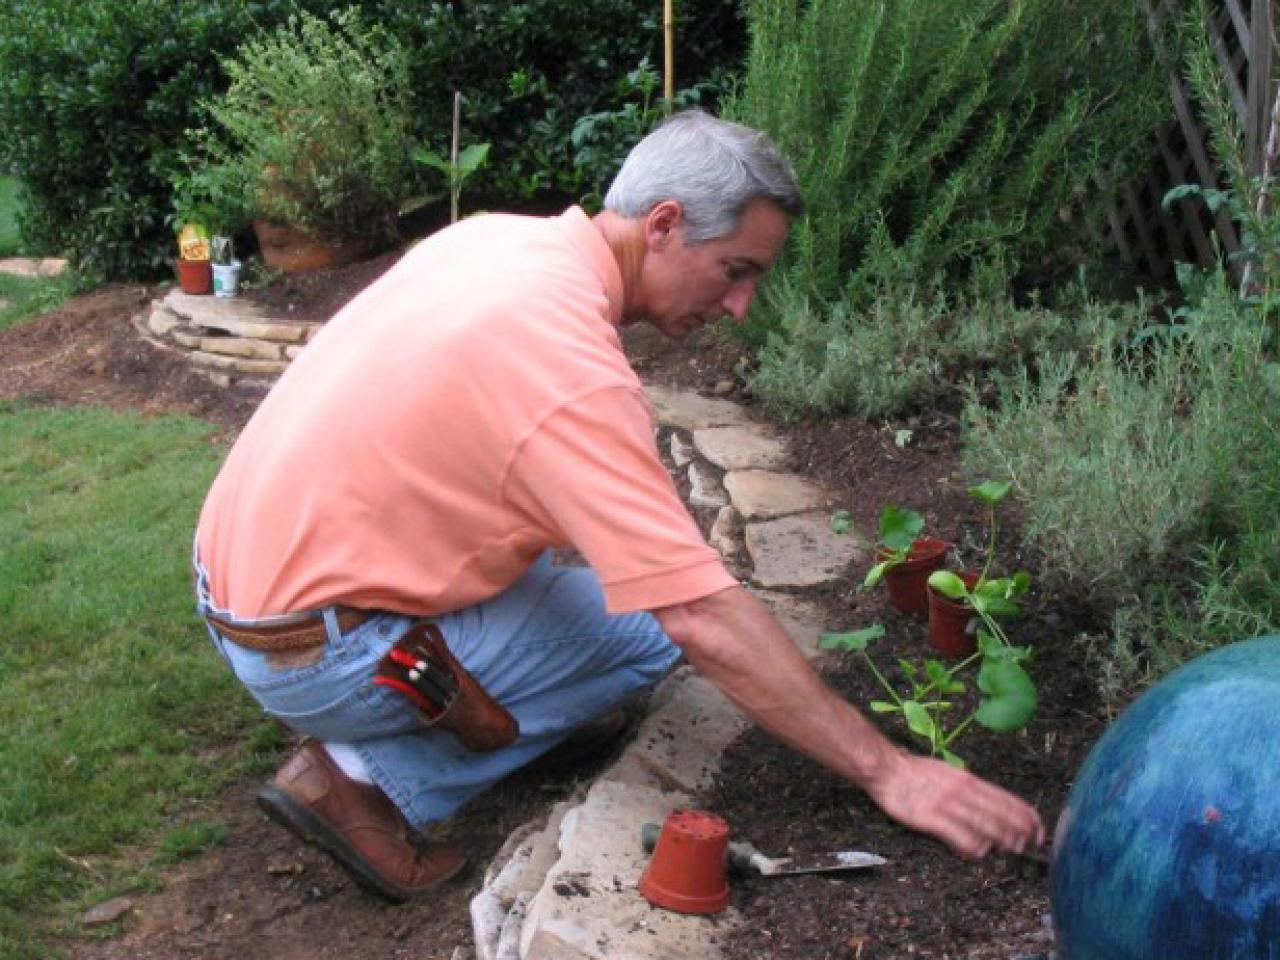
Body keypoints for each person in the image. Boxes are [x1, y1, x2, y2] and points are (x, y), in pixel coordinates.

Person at [193, 109, 1044, 902]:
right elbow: (699, 616)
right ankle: (361, 778)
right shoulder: (570, 369)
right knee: (640, 635)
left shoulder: (500, 240)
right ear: (665, 225)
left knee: (604, 601)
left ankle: (469, 711)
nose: (741, 305)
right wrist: (891, 771)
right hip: (314, 648)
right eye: (737, 271)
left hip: (247, 589)